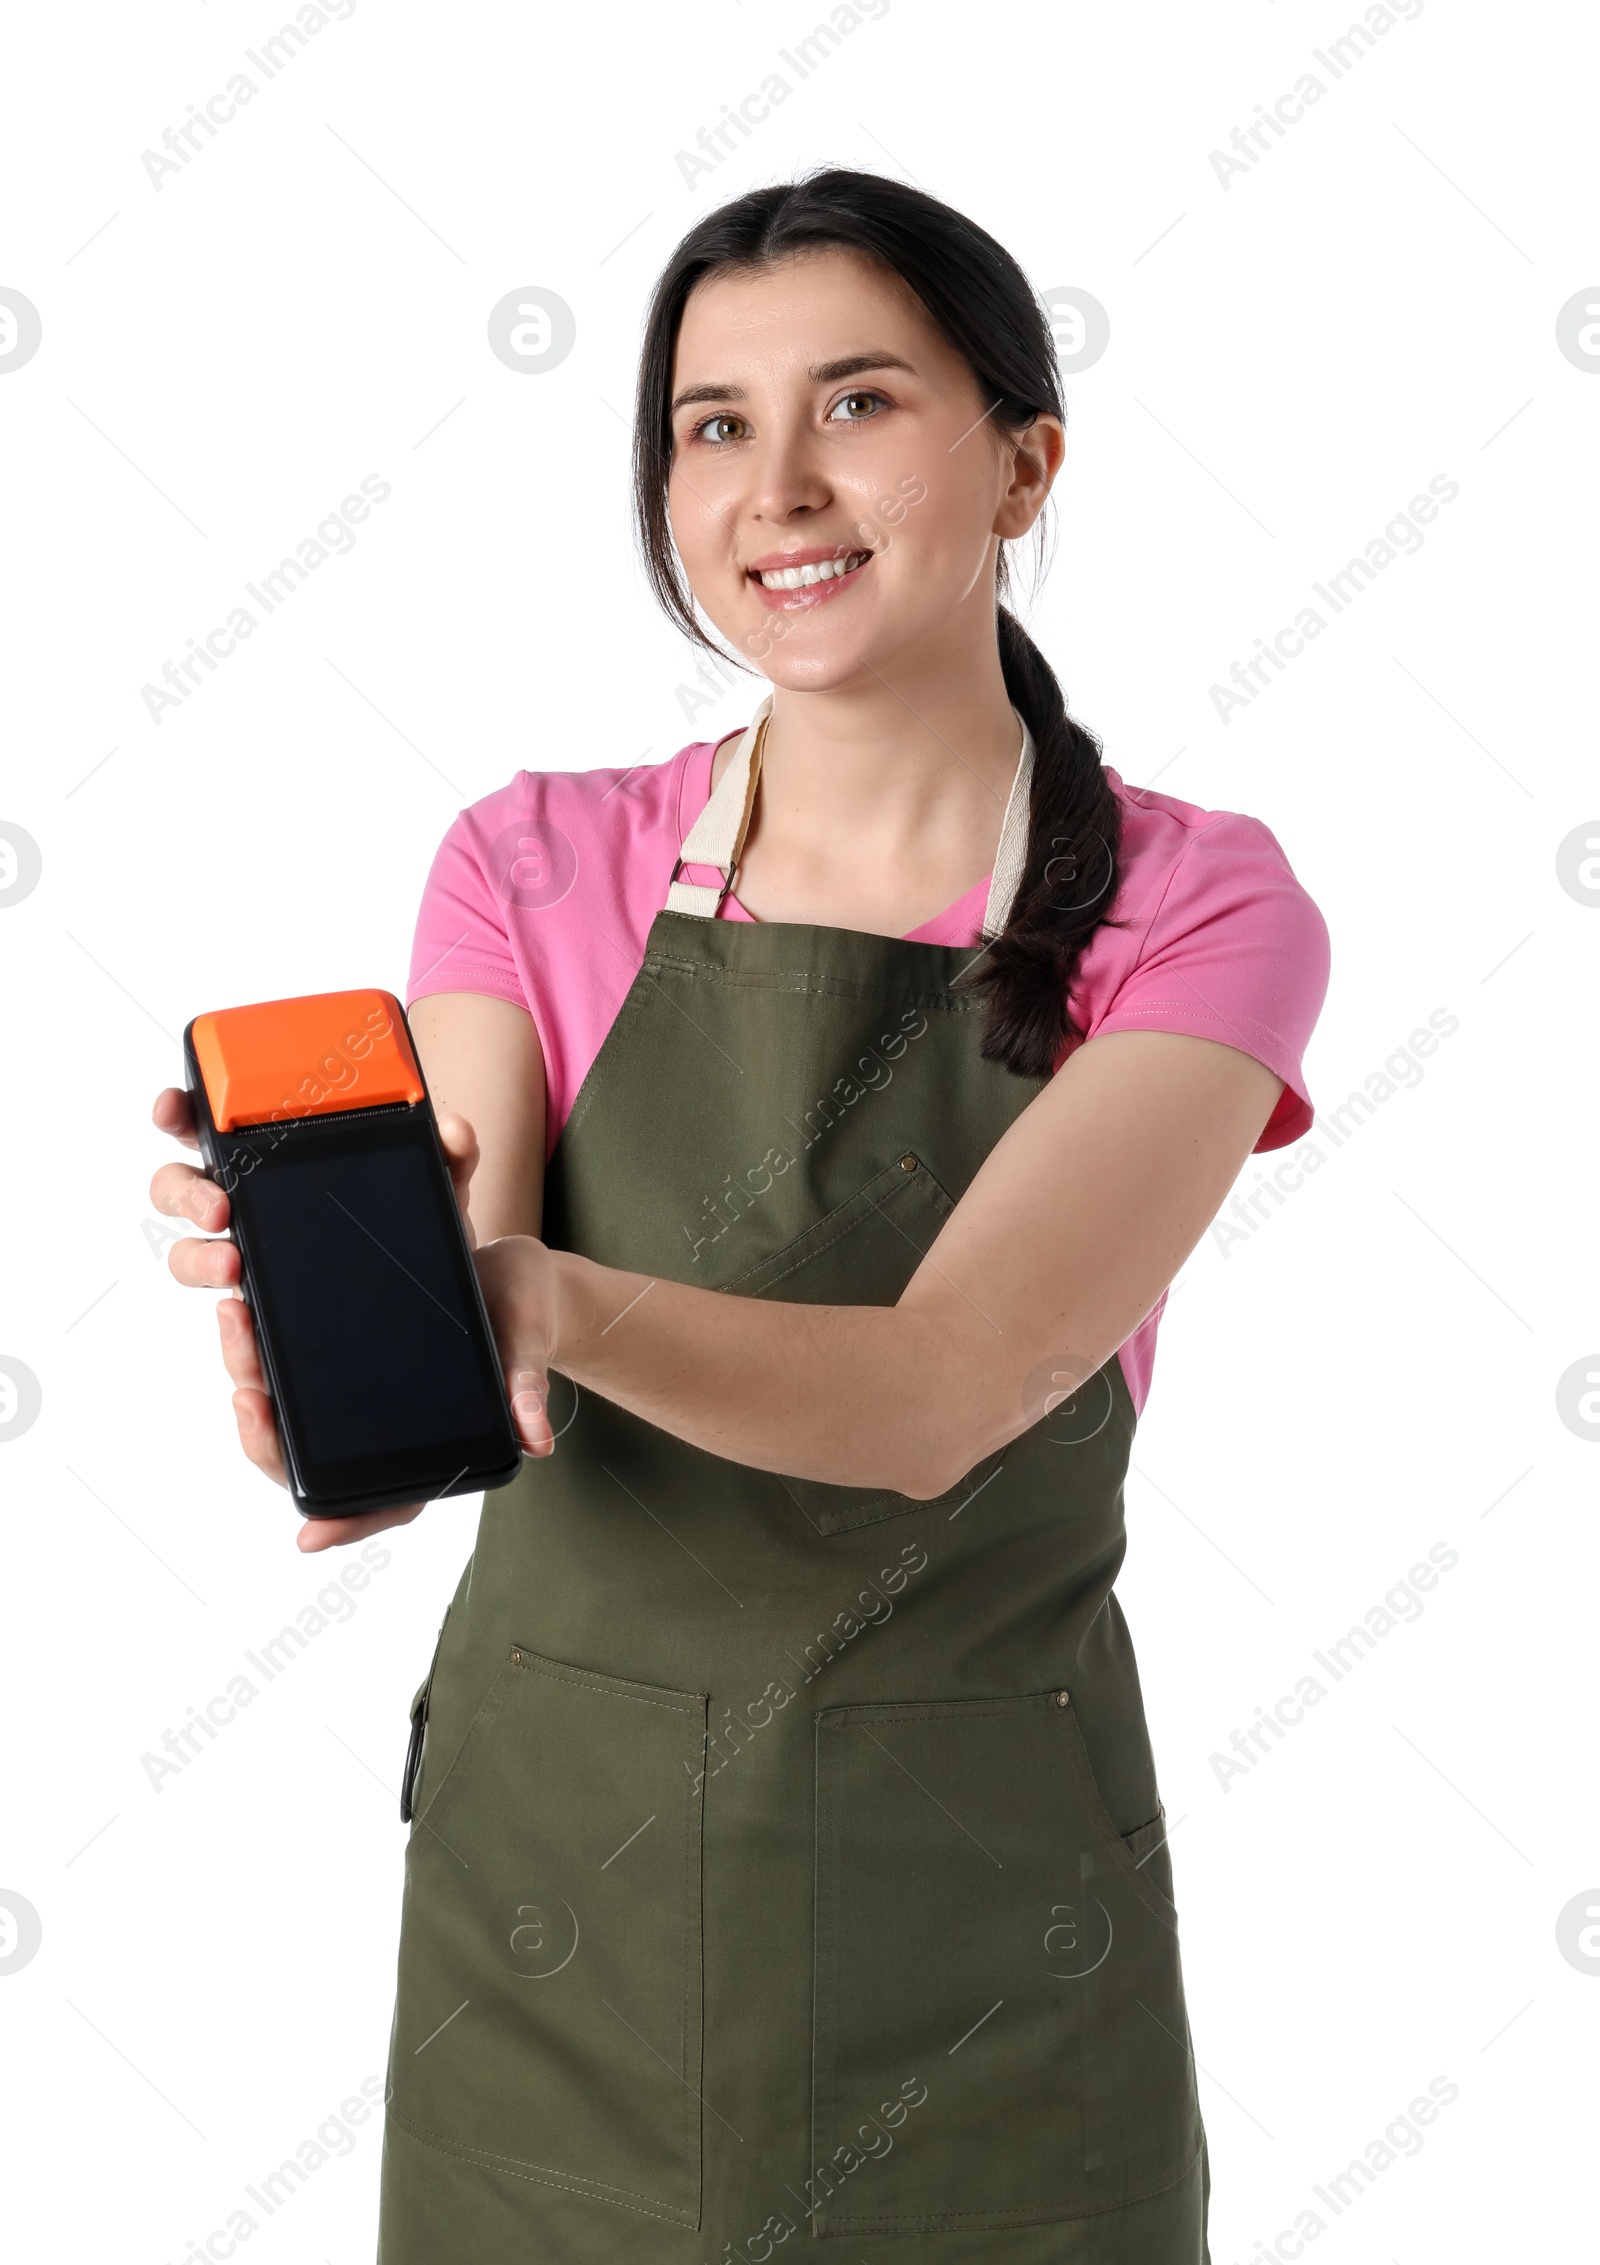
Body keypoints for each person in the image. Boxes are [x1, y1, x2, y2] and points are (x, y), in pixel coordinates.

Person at [152, 169, 1329, 2264]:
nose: (773, 486)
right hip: (561, 1917)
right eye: (709, 425)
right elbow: (466, 1355)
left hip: (977, 1953)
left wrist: (546, 1302)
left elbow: (944, 1388)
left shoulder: (1192, 908)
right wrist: (328, 1350)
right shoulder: (531, 862)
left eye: (856, 401)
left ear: (1023, 457)